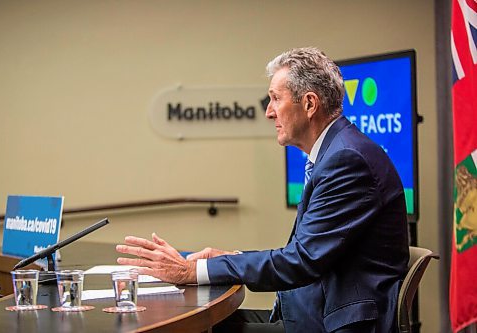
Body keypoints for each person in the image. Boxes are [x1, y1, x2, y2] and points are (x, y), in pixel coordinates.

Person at [116, 47, 409, 333]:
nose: (269, 112)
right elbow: (306, 254)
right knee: (205, 325)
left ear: (309, 104)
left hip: (333, 322)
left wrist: (192, 272)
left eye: (275, 99)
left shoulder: (347, 160)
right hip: (317, 311)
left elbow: (301, 261)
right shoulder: (337, 152)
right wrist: (226, 258)